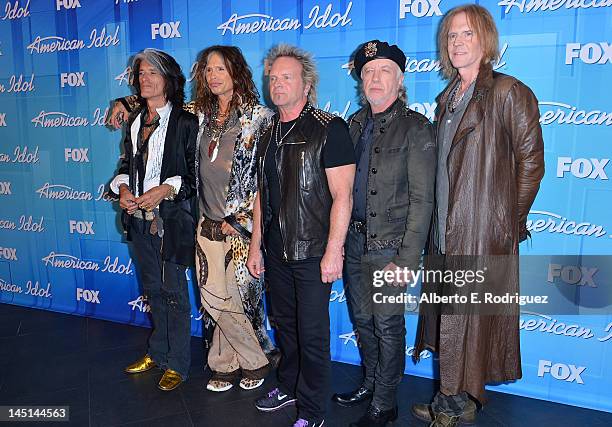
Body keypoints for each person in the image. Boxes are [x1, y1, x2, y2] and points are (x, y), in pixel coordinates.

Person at [109, 45, 278, 392]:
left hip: (240, 226)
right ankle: (226, 362)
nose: (213, 76)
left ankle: (255, 358)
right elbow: (157, 99)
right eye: (208, 70)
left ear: (236, 72)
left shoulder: (259, 118)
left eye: (220, 69)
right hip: (204, 222)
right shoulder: (200, 113)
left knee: (237, 298)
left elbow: (266, 179)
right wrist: (125, 101)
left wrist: (245, 221)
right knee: (214, 298)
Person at [412, 5, 545, 426]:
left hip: (481, 231)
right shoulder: (447, 97)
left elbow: (531, 161)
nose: (457, 43)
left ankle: (450, 405)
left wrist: (508, 222)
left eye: (466, 34)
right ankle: (457, 400)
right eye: (451, 36)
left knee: (464, 322)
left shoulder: (509, 91)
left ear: (485, 41)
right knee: (453, 323)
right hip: (445, 230)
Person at [247, 44, 355, 427]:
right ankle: (290, 386)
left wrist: (333, 250)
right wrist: (256, 244)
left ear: (306, 84)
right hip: (276, 251)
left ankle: (312, 410)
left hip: (312, 251)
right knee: (286, 327)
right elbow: (262, 192)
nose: (277, 84)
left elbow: (343, 195)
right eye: (273, 78)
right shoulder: (267, 131)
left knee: (311, 334)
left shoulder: (330, 128)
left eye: (286, 77)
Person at [332, 40, 436, 427]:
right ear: (360, 79)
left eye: (384, 71)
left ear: (400, 78)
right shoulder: (353, 125)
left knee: (388, 324)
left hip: (391, 246)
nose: (375, 78)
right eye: (368, 72)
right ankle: (371, 383)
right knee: (362, 319)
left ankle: (385, 401)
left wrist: (407, 260)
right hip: (355, 241)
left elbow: (424, 201)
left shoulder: (416, 128)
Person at [110, 48, 198, 391]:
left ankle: (178, 363)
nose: (145, 79)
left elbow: (194, 175)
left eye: (152, 73)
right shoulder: (134, 121)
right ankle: (158, 352)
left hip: (172, 220)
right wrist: (123, 190)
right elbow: (125, 166)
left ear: (169, 79)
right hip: (138, 219)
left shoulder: (187, 121)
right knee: (153, 290)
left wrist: (165, 189)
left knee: (174, 292)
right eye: (141, 74)